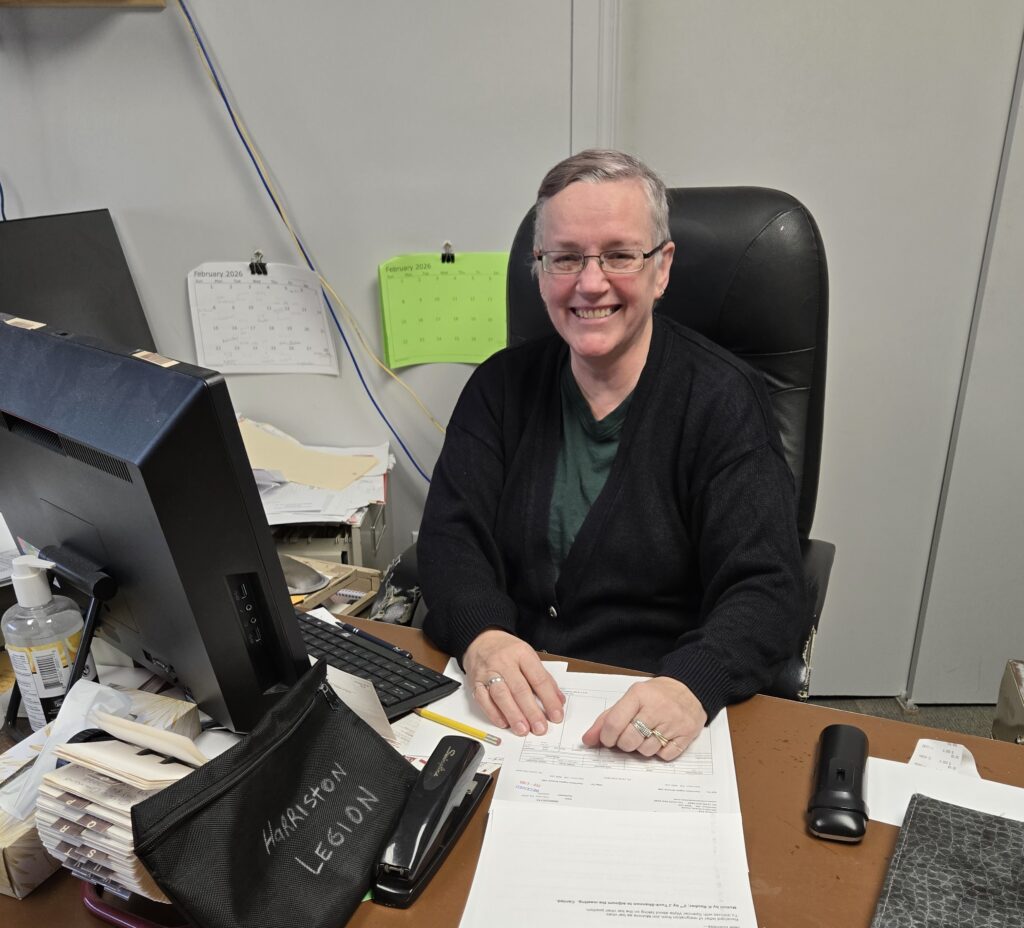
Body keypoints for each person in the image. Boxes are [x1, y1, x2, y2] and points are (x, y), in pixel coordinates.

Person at [419, 149, 807, 759]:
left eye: (620, 255)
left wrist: (692, 685)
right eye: (565, 257)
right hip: (508, 706)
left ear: (662, 268)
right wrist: (484, 636)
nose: (590, 282)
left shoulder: (723, 402)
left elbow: (767, 587)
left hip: (649, 710)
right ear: (538, 269)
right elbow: (448, 539)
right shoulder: (499, 388)